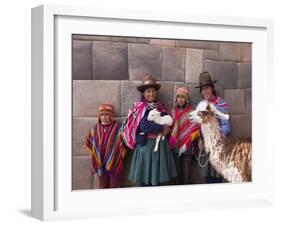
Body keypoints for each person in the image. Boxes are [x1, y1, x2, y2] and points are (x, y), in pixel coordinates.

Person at [122, 74, 177, 186]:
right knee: (146, 179)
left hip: (159, 147)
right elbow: (143, 126)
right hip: (146, 146)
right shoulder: (139, 107)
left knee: (156, 179)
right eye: (148, 91)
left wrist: (167, 129)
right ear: (143, 93)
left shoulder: (160, 107)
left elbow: (168, 121)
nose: (151, 94)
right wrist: (161, 127)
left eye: (153, 91)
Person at [196, 71, 231, 183]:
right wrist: (200, 139)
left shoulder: (220, 103)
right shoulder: (201, 105)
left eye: (207, 88)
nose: (205, 91)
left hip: (218, 145)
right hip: (206, 146)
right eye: (203, 89)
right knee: (206, 176)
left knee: (216, 176)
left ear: (212, 88)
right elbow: (199, 125)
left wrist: (217, 138)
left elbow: (226, 125)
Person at [85, 103, 126, 189]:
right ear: (99, 117)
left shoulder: (118, 127)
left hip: (114, 162)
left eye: (107, 115)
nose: (104, 117)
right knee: (103, 186)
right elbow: (90, 142)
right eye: (102, 115)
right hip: (100, 164)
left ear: (111, 116)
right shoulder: (95, 128)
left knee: (114, 186)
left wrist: (119, 153)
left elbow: (122, 143)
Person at [168, 87, 201, 185]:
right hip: (175, 147)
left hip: (187, 148)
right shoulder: (173, 112)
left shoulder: (192, 112)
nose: (180, 99)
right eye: (178, 97)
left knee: (187, 176)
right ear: (176, 99)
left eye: (183, 97)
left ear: (187, 99)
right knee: (177, 175)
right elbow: (170, 127)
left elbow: (196, 127)